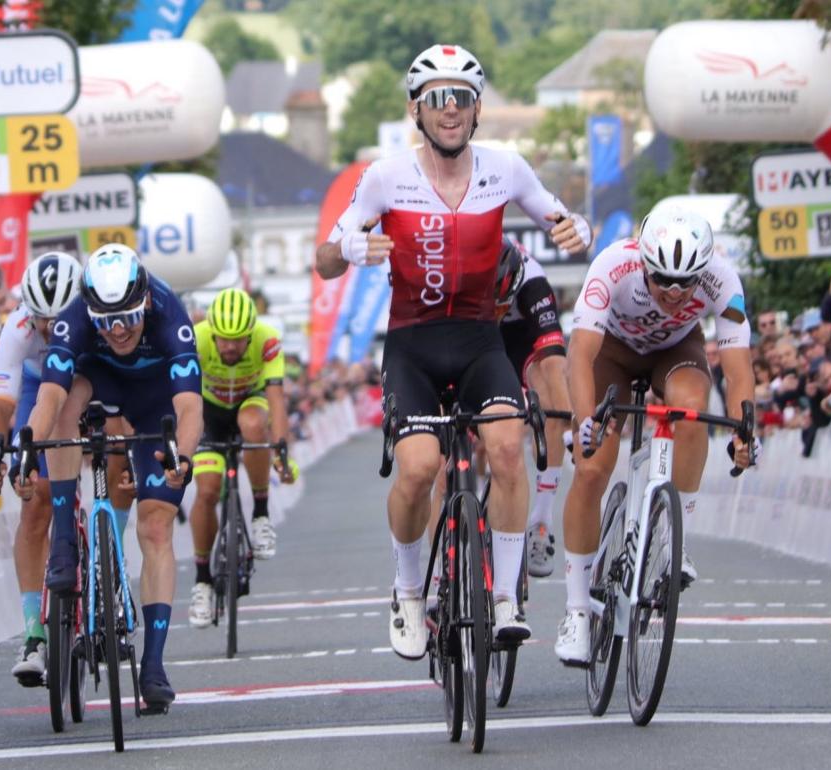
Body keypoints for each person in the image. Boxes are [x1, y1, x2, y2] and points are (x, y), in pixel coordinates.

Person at [313, 43, 591, 658]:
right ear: (416, 109)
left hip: (478, 342)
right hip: (411, 346)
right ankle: (409, 589)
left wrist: (580, 230)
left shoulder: (506, 167)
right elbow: (325, 260)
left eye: (461, 99)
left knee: (507, 448)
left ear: (476, 109)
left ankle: (505, 597)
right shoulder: (385, 177)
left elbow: (563, 219)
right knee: (417, 470)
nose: (449, 110)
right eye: (437, 99)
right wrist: (352, 251)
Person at [556, 207, 755, 667]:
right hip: (611, 354)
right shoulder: (612, 265)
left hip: (675, 352)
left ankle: (674, 544)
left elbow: (738, 367)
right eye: (662, 278)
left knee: (690, 410)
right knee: (592, 470)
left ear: (703, 272)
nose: (673, 291)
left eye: (685, 282)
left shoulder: (723, 282)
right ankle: (577, 611)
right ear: (644, 263)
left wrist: (747, 430)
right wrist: (586, 422)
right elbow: (580, 356)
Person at [18, 244, 203, 708]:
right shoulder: (74, 316)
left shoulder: (170, 314)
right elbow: (48, 397)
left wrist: (182, 457)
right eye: (105, 321)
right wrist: (27, 450)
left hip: (155, 401)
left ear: (145, 302)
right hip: (98, 382)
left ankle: (154, 666)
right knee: (64, 406)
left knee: (156, 525)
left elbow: (189, 407)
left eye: (128, 318)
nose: (118, 330)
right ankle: (64, 541)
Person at [0, 252, 83, 685]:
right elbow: (1, 403)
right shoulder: (18, 327)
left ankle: (106, 581)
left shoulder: (92, 317)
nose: (48, 328)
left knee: (112, 461)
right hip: (37, 387)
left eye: (58, 319)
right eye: (41, 318)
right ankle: (34, 634)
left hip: (84, 381)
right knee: (34, 500)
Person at [186, 288, 297, 628]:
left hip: (250, 402)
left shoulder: (268, 339)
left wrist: (281, 451)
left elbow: (277, 400)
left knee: (253, 424)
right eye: (224, 340)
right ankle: (203, 581)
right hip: (209, 414)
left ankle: (261, 515)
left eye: (239, 340)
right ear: (213, 333)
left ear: (251, 332)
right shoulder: (194, 339)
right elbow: (183, 397)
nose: (231, 347)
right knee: (206, 492)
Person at [493, 239, 571, 578]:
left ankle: (541, 521)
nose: (498, 308)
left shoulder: (533, 282)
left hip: (525, 342)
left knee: (553, 401)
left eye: (502, 301)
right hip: (482, 342)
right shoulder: (463, 275)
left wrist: (570, 422)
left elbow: (554, 363)